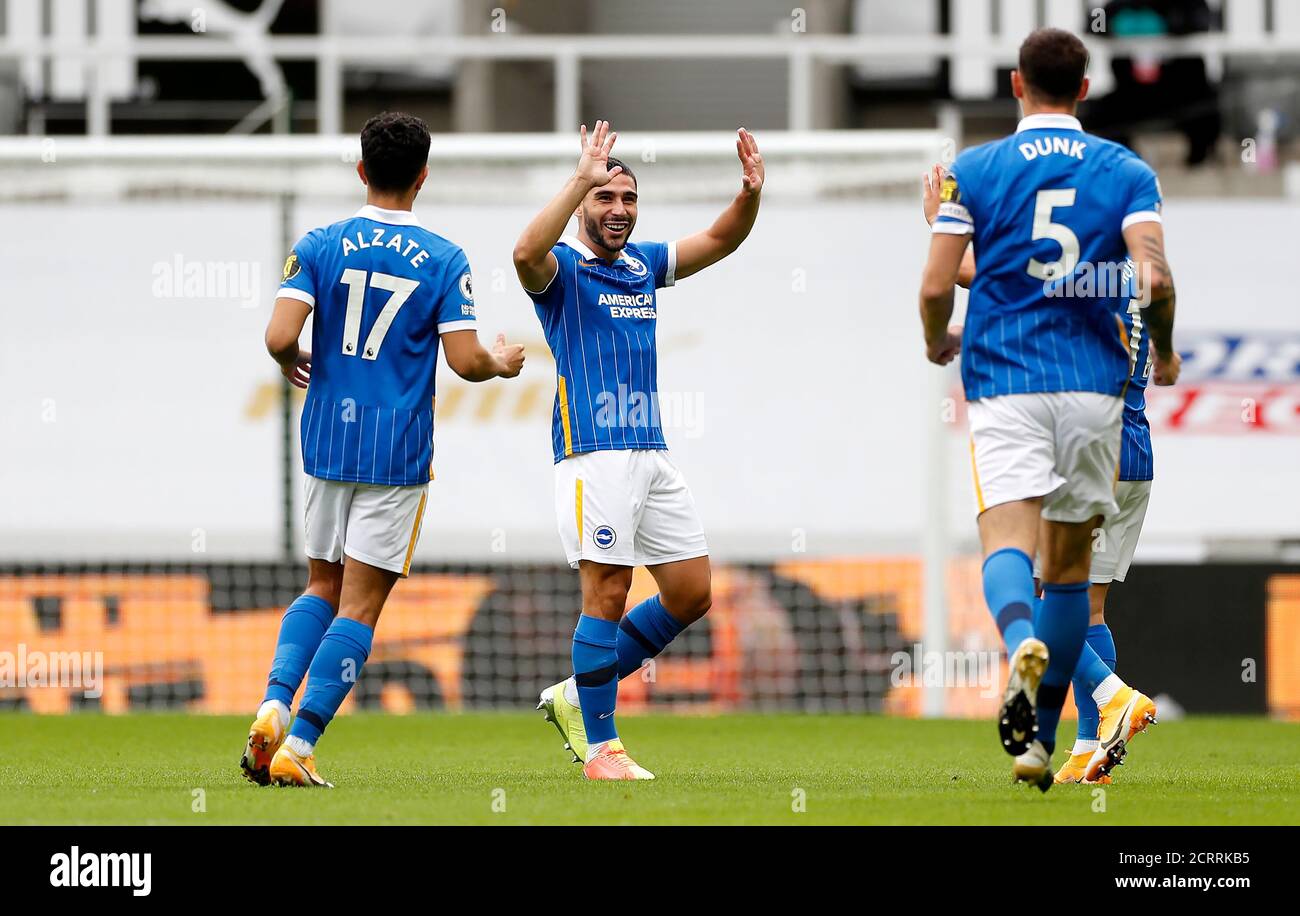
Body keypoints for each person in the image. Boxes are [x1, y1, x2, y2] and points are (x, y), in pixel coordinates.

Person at [918, 28, 1178, 790]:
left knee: (1005, 546)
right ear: (1088, 88)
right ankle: (1044, 741)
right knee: (1069, 578)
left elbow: (940, 286)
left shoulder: (980, 168)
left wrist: (939, 338)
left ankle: (1022, 647)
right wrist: (1162, 352)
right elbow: (1154, 281)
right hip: (1098, 399)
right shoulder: (1124, 171)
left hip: (1008, 385)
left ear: (1015, 84)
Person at [243, 111, 525, 787]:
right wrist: (503, 362)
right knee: (361, 606)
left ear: (362, 169)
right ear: (423, 176)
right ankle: (300, 746)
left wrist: (295, 359)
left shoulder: (319, 243)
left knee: (320, 584)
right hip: (395, 452)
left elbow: (280, 336)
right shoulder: (444, 258)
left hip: (326, 442)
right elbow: (463, 362)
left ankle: (274, 705)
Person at [512, 121, 763, 780]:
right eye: (605, 198)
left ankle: (574, 693)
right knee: (608, 592)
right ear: (584, 205)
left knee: (691, 591)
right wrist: (579, 179)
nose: (618, 209)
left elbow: (718, 238)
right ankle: (602, 749)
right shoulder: (563, 271)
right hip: (593, 453)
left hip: (650, 450)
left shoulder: (643, 264)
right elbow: (522, 254)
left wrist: (750, 194)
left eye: (627, 198)